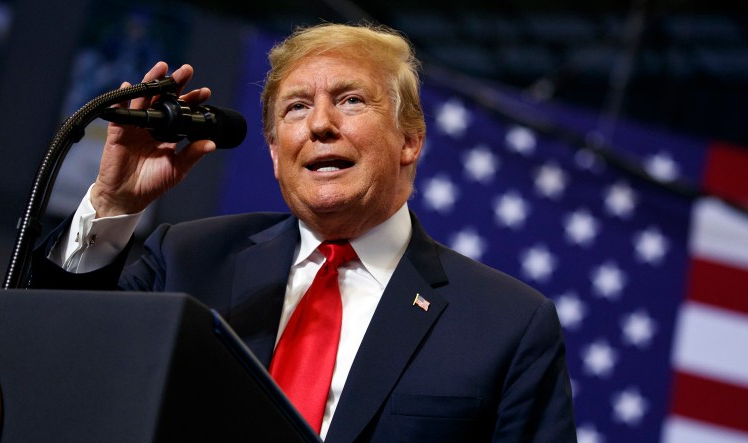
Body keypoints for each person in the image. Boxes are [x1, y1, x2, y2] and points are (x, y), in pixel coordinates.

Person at [30, 23, 576, 442]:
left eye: (351, 100)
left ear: (410, 139)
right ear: (274, 152)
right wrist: (113, 204)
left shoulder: (509, 325)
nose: (319, 124)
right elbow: (56, 363)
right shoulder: (187, 259)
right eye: (296, 108)